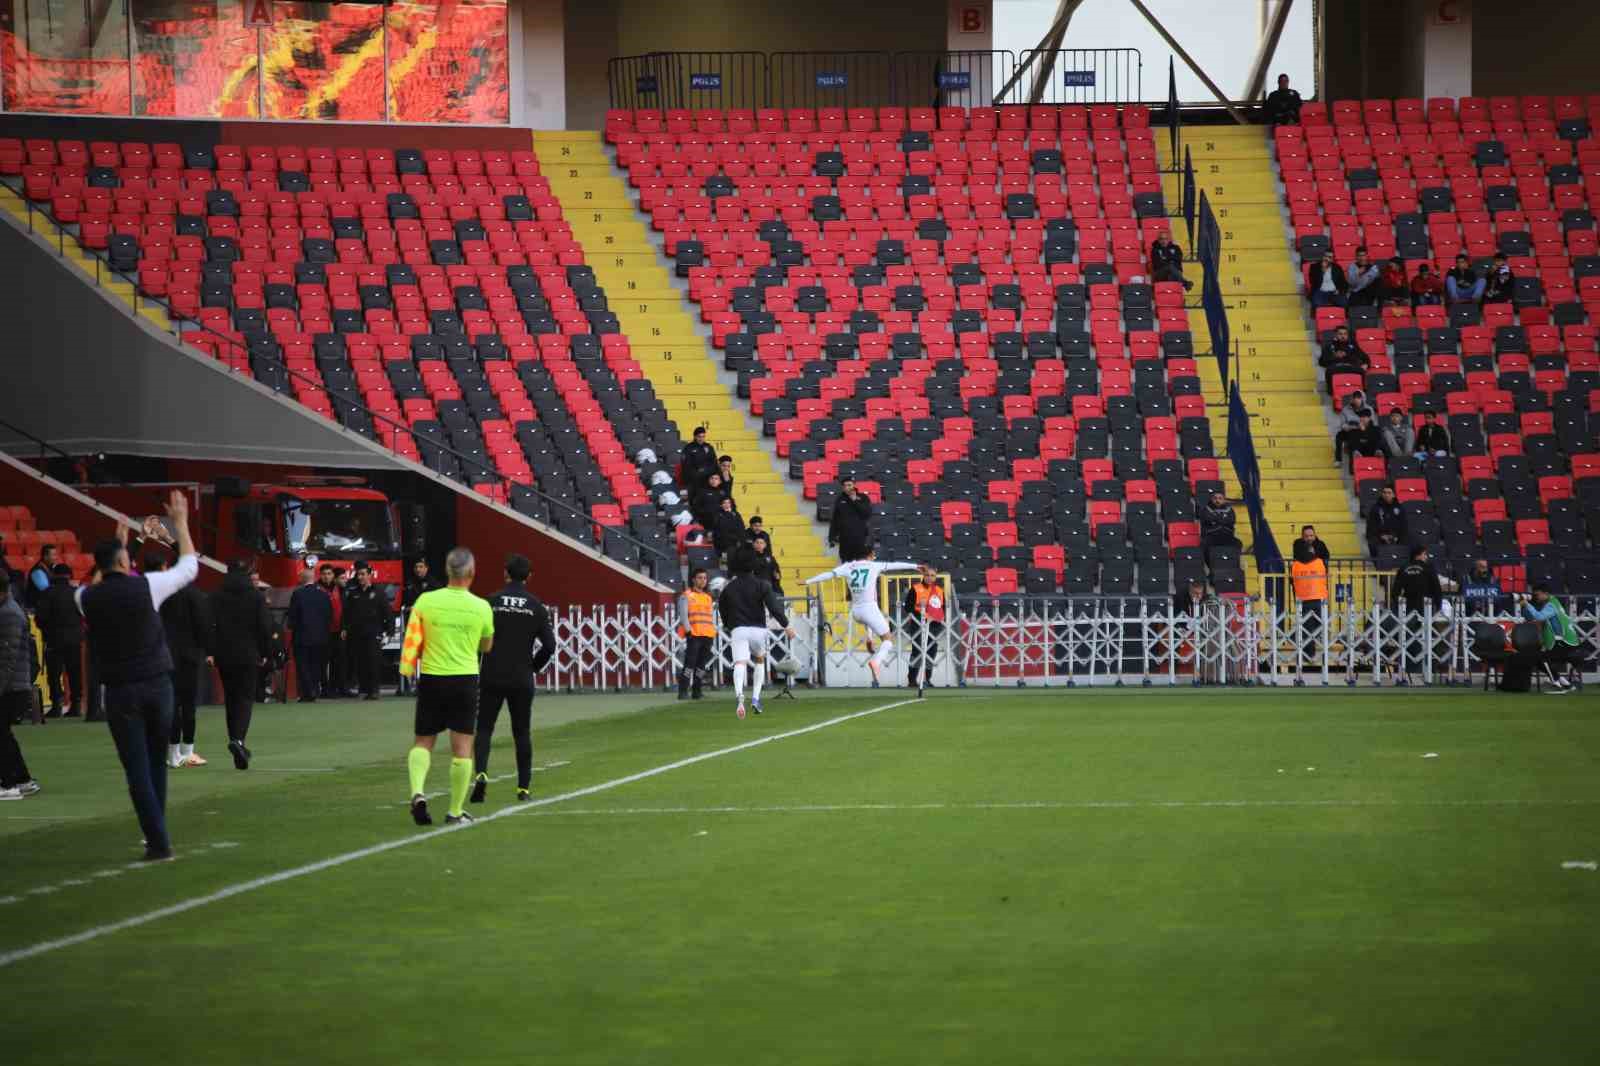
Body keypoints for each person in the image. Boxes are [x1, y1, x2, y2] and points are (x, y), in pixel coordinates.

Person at [76, 492, 199, 862]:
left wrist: (117, 549)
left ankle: (158, 839)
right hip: (157, 684)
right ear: (126, 560)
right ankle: (157, 837)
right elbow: (189, 567)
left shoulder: (86, 597)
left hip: (119, 690)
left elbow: (95, 584)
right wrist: (181, 524)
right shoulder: (147, 585)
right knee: (155, 762)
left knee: (136, 768)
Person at [399, 546, 494, 826]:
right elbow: (486, 646)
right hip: (464, 679)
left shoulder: (426, 601)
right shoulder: (481, 606)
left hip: (432, 677)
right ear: (472, 573)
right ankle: (454, 811)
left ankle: (417, 791)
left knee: (423, 741)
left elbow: (414, 636)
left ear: (446, 571)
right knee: (462, 748)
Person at [471, 553, 555, 803]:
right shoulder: (536, 606)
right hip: (521, 676)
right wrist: (533, 667)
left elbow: (478, 640)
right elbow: (550, 646)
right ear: (529, 576)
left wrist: (477, 664)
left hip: (492, 674)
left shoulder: (490, 602)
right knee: (522, 732)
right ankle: (523, 789)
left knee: (485, 728)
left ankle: (482, 774)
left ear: (505, 573)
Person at [805, 547, 919, 688]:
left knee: (871, 620)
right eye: (874, 555)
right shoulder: (873, 565)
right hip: (869, 608)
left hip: (856, 611)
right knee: (888, 639)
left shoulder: (847, 566)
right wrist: (915, 566)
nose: (875, 557)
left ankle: (870, 638)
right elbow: (895, 565)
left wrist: (808, 581)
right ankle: (876, 662)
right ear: (870, 555)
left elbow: (829, 575)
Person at [208, 558, 275, 769]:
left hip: (224, 654)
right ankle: (238, 740)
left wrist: (211, 651)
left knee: (231, 698)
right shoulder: (255, 597)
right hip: (248, 653)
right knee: (245, 699)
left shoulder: (216, 596)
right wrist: (266, 652)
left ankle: (235, 740)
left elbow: (210, 625)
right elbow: (264, 627)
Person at [148, 554, 210, 769]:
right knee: (189, 704)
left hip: (165, 654)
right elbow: (203, 627)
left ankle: (173, 753)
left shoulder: (163, 594)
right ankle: (188, 751)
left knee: (171, 704)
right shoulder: (196, 595)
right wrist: (207, 650)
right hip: (190, 656)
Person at [719, 557, 794, 719]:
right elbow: (774, 607)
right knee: (759, 659)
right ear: (753, 569)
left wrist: (728, 624)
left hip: (738, 629)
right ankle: (756, 697)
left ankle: (739, 694)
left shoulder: (729, 588)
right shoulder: (762, 585)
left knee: (740, 663)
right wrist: (786, 626)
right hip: (758, 630)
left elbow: (722, 608)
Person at [0, 571, 38, 801]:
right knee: (4, 734)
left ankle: (8, 783)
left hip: (11, 687)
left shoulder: (9, 614)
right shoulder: (9, 610)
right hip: (14, 685)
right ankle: (22, 779)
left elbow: (7, 658)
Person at [34, 562, 82, 718]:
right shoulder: (76, 593)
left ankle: (56, 706)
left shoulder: (48, 593)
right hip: (74, 640)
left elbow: (40, 618)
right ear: (70, 576)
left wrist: (47, 631)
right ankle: (75, 705)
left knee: (54, 675)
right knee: (74, 673)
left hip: (54, 640)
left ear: (53, 575)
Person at [342, 563, 392, 700]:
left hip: (374, 633)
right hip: (357, 633)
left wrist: (389, 632)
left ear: (370, 575)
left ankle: (374, 690)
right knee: (360, 662)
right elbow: (347, 614)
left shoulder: (379, 592)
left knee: (373, 661)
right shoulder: (353, 593)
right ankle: (363, 689)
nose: (360, 577)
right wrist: (345, 628)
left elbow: (388, 613)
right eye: (358, 574)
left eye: (363, 574)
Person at [286, 564, 334, 702]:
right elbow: (329, 615)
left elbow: (293, 615)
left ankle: (308, 692)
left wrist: (291, 626)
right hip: (320, 637)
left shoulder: (298, 594)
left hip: (302, 637)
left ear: (302, 578)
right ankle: (314, 689)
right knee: (316, 665)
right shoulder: (324, 595)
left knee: (303, 665)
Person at [1521, 585, 1581, 690]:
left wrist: (1527, 604)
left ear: (1546, 594)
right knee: (1539, 660)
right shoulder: (1555, 602)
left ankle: (1556, 683)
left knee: (1541, 658)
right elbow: (1546, 622)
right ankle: (1564, 683)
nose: (1536, 597)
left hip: (1566, 643)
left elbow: (1539, 617)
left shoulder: (1551, 605)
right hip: (1570, 642)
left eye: (1538, 595)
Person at [901, 564, 947, 690]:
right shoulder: (915, 588)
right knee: (917, 652)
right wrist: (921, 613)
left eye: (932, 575)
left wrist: (940, 619)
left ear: (935, 577)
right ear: (923, 575)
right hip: (918, 624)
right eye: (927, 575)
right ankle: (912, 679)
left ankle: (927, 679)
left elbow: (942, 608)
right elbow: (908, 607)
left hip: (934, 625)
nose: (929, 578)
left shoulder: (939, 590)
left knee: (931, 652)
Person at [676, 568, 717, 701]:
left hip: (707, 634)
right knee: (690, 664)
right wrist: (688, 631)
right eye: (700, 578)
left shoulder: (708, 597)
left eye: (704, 578)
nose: (703, 580)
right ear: (693, 579)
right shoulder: (686, 595)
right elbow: (683, 616)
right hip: (694, 634)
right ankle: (683, 690)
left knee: (702, 665)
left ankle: (697, 690)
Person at [1290, 538, 1330, 663]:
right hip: (1319, 599)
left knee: (1306, 628)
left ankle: (1307, 654)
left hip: (1303, 599)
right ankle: (1321, 655)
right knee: (1319, 627)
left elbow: (1292, 582)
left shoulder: (1294, 565)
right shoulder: (1319, 562)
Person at [828, 476, 874, 562]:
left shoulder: (863, 497)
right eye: (845, 486)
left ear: (854, 485)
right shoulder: (839, 499)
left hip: (860, 538)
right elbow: (835, 520)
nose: (847, 488)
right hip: (845, 539)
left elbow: (867, 514)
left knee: (861, 563)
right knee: (846, 564)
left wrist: (855, 501)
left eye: (849, 485)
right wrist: (831, 537)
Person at [1318, 324, 1367, 393]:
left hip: (1351, 366)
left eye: (1345, 334)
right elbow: (1322, 361)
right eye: (1340, 334)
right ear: (1336, 335)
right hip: (1336, 367)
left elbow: (1364, 355)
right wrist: (1334, 356)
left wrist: (1366, 363)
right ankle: (1332, 392)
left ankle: (1362, 391)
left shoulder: (1353, 344)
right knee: (1329, 371)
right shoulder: (1329, 346)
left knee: (1361, 371)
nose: (1343, 336)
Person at [1332, 389, 1372, 465]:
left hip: (1364, 430)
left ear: (1363, 399)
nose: (1357, 400)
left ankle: (1355, 460)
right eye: (1355, 398)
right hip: (1350, 430)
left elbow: (1373, 423)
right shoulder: (1346, 409)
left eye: (1359, 398)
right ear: (1352, 399)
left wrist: (1363, 426)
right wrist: (1347, 427)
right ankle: (1338, 459)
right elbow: (1342, 423)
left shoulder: (1369, 409)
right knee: (1339, 436)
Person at [327, 566, 350, 696]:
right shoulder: (330, 591)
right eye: (342, 578)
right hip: (330, 631)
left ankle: (342, 688)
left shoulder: (345, 592)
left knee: (342, 660)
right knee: (332, 661)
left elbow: (346, 612)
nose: (345, 580)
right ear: (335, 579)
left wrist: (345, 628)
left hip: (341, 631)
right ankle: (332, 688)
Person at [1367, 484, 1407, 555]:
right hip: (1379, 537)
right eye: (1384, 492)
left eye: (1389, 493)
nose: (1386, 495)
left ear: (1394, 495)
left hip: (1396, 537)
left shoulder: (1400, 508)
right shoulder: (1375, 508)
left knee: (1407, 540)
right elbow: (1371, 526)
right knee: (1372, 541)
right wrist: (1381, 536)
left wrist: (1395, 536)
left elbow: (1403, 525)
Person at [680, 426, 718, 490]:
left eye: (703, 437)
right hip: (694, 477)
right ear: (695, 437)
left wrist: (706, 470)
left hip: (707, 475)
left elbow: (714, 462)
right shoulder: (688, 448)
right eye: (699, 437)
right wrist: (699, 471)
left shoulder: (708, 447)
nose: (701, 439)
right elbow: (686, 465)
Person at [712, 495, 747, 560]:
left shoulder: (736, 514)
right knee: (724, 566)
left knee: (734, 564)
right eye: (724, 503)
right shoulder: (717, 515)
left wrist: (740, 541)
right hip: (723, 546)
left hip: (735, 545)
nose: (727, 505)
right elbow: (719, 530)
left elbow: (741, 528)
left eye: (728, 503)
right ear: (721, 504)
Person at [25, 544, 56, 610]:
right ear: (45, 556)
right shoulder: (37, 571)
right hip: (35, 607)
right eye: (53, 555)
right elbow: (46, 591)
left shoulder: (51, 568)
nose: (55, 557)